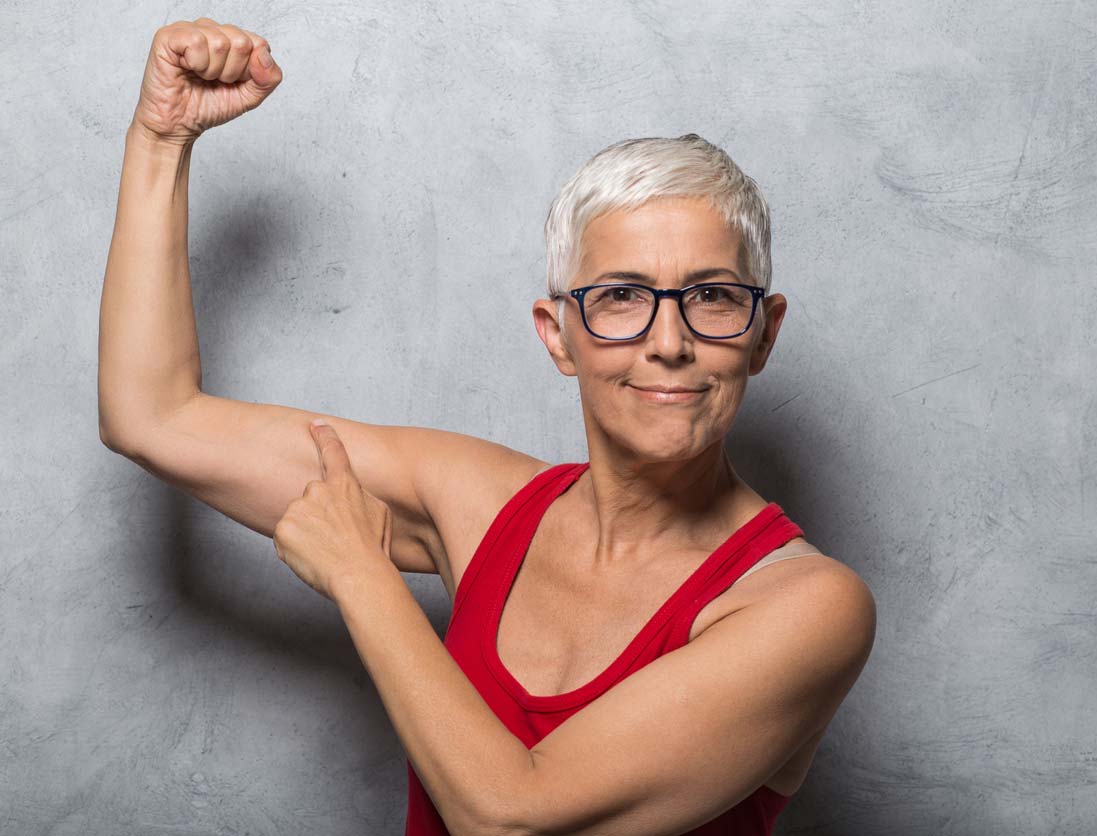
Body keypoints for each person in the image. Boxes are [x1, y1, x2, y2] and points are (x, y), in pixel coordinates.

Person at [98, 18, 877, 835]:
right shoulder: (477, 505)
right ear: (556, 335)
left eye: (713, 297)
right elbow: (153, 416)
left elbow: (514, 818)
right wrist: (162, 137)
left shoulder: (807, 607)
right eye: (621, 297)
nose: (670, 342)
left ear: (764, 333)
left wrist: (362, 576)